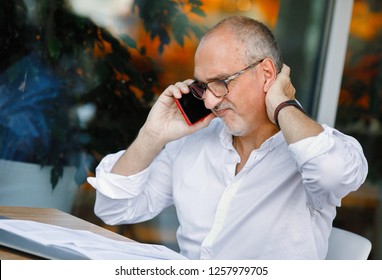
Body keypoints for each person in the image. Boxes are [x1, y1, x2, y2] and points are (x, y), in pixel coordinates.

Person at [87, 16, 368, 259]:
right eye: (203, 85)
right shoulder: (192, 143)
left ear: (267, 73)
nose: (209, 101)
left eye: (221, 82)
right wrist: (152, 135)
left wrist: (282, 103)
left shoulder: (318, 151)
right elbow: (114, 209)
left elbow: (332, 174)